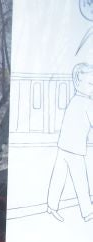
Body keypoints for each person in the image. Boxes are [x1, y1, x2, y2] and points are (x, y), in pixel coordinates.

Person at [45, 63, 93, 223]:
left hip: (64, 146)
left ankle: (51, 206)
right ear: (78, 83)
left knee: (58, 177)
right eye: (90, 83)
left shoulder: (74, 101)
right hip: (75, 150)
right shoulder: (87, 103)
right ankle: (88, 212)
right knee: (81, 181)